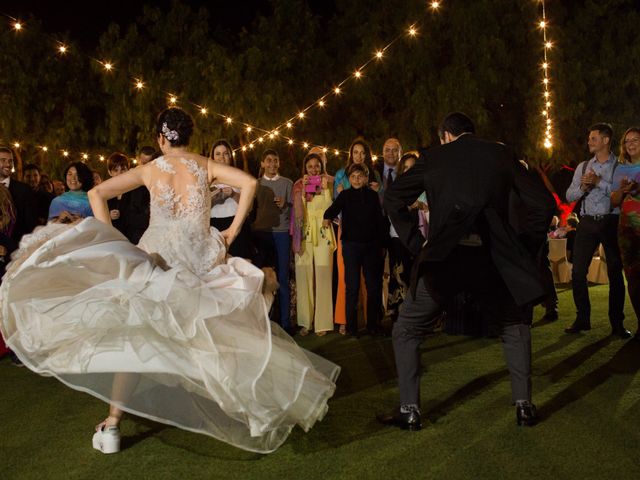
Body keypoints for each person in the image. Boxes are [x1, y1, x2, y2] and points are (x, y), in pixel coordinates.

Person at [0, 107, 339, 454]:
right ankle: (257, 407)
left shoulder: (151, 169)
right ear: (189, 137)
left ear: (161, 139)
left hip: (156, 259)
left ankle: (113, 424)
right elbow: (250, 183)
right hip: (198, 257)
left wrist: (115, 243)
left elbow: (95, 195)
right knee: (215, 334)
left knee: (134, 335)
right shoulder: (203, 165)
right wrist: (230, 232)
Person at [377, 112, 556, 430]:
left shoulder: (433, 157)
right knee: (514, 326)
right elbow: (542, 202)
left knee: (406, 329)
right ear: (472, 133)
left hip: (446, 257)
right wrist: (522, 248)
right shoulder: (499, 153)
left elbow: (392, 197)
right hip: (494, 259)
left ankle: (409, 409)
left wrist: (416, 242)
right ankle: (524, 406)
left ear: (445, 135)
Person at [564, 123, 629, 337]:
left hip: (611, 222)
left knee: (615, 274)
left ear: (605, 140)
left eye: (593, 138)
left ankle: (617, 324)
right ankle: (582, 318)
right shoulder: (583, 167)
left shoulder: (619, 166)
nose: (589, 142)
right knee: (578, 272)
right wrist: (583, 187)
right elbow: (569, 196)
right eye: (589, 138)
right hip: (587, 222)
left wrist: (598, 182)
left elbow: (619, 192)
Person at [323, 163, 385, 336]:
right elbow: (331, 210)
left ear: (366, 178)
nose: (357, 179)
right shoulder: (344, 195)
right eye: (353, 177)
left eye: (360, 176)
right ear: (349, 179)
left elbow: (379, 221)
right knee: (352, 287)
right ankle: (351, 328)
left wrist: (382, 244)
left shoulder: (373, 196)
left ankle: (372, 325)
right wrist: (326, 217)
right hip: (351, 247)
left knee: (373, 287)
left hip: (371, 246)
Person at [291, 152, 336, 336]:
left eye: (317, 165)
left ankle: (323, 323)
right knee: (303, 275)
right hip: (305, 234)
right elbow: (297, 214)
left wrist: (325, 189)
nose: (314, 169)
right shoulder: (299, 185)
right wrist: (302, 194)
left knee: (324, 275)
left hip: (323, 232)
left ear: (321, 166)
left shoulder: (329, 183)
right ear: (305, 168)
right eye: (310, 166)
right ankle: (305, 322)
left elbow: (329, 209)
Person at [252, 149, 293, 333]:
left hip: (282, 233)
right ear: (262, 163)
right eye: (268, 161)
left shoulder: (287, 183)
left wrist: (286, 205)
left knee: (283, 277)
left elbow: (294, 211)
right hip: (261, 234)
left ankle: (285, 322)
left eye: (275, 161)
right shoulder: (256, 184)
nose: (272, 164)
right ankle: (263, 323)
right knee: (262, 278)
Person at [610, 126, 640, 339]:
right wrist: (622, 190)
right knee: (633, 277)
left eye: (635, 140)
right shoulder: (620, 169)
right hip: (627, 230)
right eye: (627, 140)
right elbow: (614, 200)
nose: (630, 144)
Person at [209, 139, 254, 259]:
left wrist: (233, 194)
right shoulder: (206, 180)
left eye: (225, 153)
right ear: (212, 157)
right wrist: (213, 199)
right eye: (217, 154)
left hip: (237, 224)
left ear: (230, 156)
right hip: (214, 225)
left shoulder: (241, 176)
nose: (221, 157)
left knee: (241, 264)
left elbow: (249, 207)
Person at [0, 146, 37, 245]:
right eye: (3, 160)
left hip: (16, 249)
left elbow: (31, 224)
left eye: (10, 161)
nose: (8, 164)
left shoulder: (24, 190)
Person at [105, 152, 130, 233]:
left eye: (123, 170)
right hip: (111, 234)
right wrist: (108, 216)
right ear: (109, 172)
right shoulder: (105, 193)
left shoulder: (135, 190)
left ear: (128, 170)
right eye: (116, 170)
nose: (120, 173)